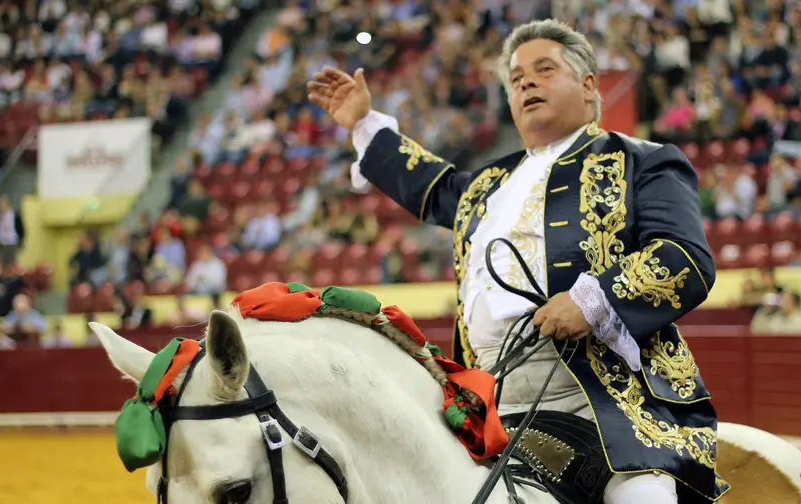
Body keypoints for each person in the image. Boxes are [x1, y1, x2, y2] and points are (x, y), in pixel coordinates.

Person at [308, 19, 725, 504]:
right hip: (492, 399)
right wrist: (363, 123)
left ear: (588, 85)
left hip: (605, 400)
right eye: (516, 77)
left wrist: (593, 301)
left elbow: (684, 257)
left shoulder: (644, 160)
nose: (525, 81)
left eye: (544, 70)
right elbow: (432, 187)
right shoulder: (486, 184)